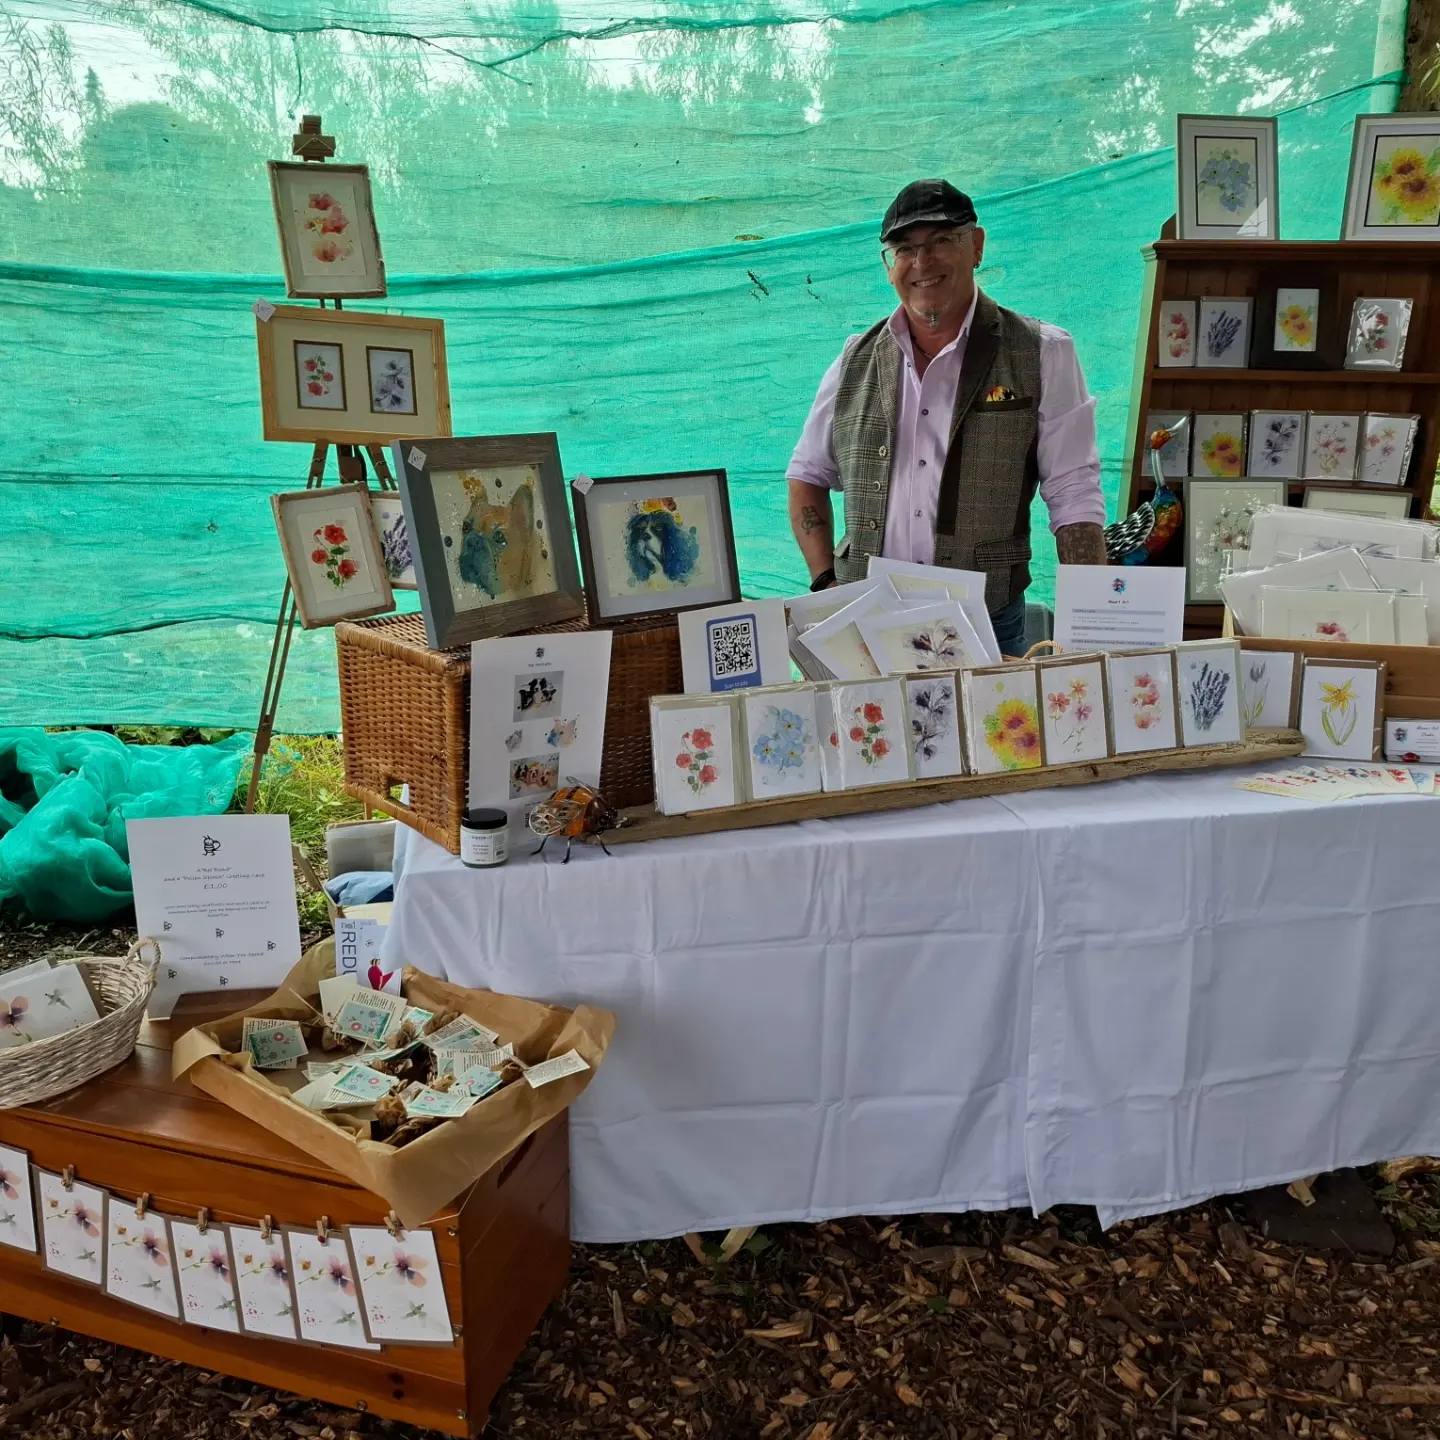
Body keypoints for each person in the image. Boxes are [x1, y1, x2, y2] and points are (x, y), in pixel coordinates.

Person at [785, 178, 1107, 658]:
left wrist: (1090, 622)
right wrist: (826, 583)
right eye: (905, 249)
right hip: (868, 619)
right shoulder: (854, 359)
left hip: (986, 619)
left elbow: (1073, 494)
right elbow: (808, 476)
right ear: (888, 266)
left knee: (991, 732)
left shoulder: (1042, 352)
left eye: (941, 241)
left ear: (976, 246)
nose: (922, 262)